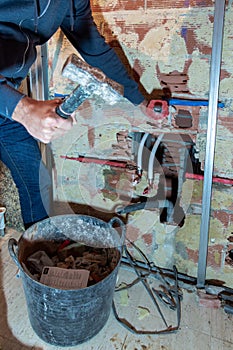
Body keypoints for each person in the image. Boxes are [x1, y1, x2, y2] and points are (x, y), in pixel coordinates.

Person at [0, 0, 148, 230]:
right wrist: (22, 109)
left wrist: (140, 102)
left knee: (37, 180)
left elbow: (92, 44)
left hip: (4, 103)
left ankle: (38, 249)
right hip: (9, 104)